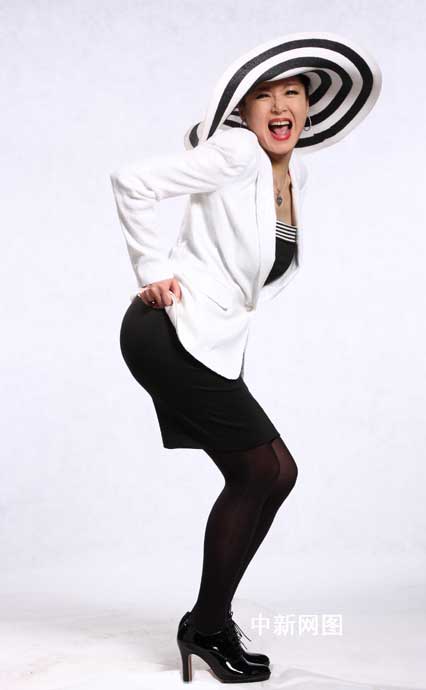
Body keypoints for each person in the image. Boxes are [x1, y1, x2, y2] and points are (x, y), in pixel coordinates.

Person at [110, 31, 382, 684]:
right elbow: (132, 180)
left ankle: (207, 621)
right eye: (265, 95)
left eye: (293, 92)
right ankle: (206, 627)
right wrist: (150, 268)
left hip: (207, 338)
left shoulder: (295, 172)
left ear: (310, 105)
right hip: (169, 331)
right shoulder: (236, 152)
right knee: (261, 472)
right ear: (243, 110)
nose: (281, 106)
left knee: (276, 474)